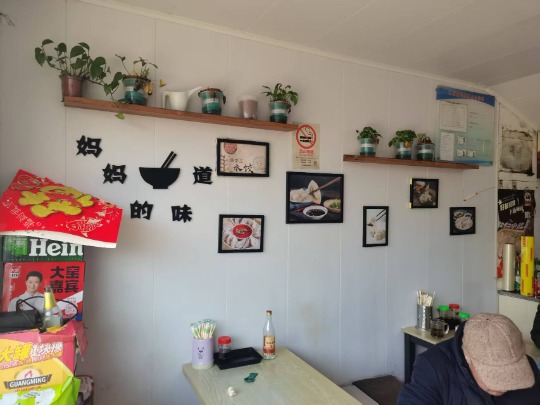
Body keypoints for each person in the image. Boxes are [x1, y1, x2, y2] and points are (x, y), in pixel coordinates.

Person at [398, 313, 540, 404]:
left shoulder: (527, 368)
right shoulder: (432, 368)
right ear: (467, 357)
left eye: (511, 372)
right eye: (495, 374)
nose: (504, 384)